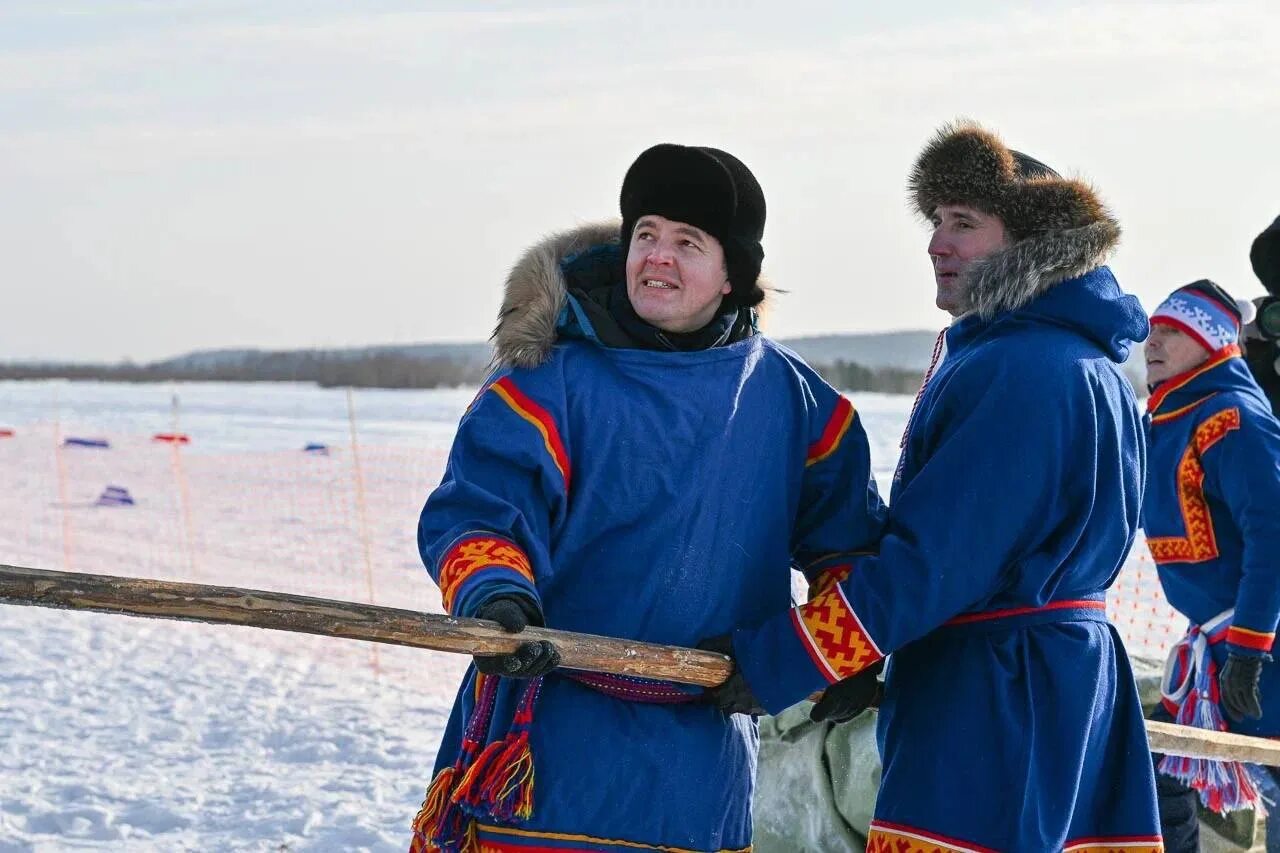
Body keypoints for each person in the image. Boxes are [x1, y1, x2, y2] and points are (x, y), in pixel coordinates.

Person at [409, 143, 885, 853]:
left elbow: (848, 543)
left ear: (735, 276)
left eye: (687, 242)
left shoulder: (799, 405)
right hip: (545, 750)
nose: (657, 257)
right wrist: (497, 598)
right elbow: (479, 511)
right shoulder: (546, 385)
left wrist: (837, 650)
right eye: (646, 235)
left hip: (701, 769)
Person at [714, 121, 1163, 851]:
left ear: (1032, 243)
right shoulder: (1085, 365)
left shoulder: (1021, 371)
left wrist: (789, 657)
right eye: (934, 221)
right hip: (1061, 688)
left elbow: (936, 563)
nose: (936, 243)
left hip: (995, 701)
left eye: (964, 223)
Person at [1142, 279, 1280, 851]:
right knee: (1161, 773)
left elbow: (1273, 539)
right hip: (1212, 649)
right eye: (1152, 329)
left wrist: (1248, 651)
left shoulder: (1232, 417)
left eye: (1174, 332)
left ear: (1213, 342)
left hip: (1259, 643)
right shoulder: (1168, 420)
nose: (1153, 341)